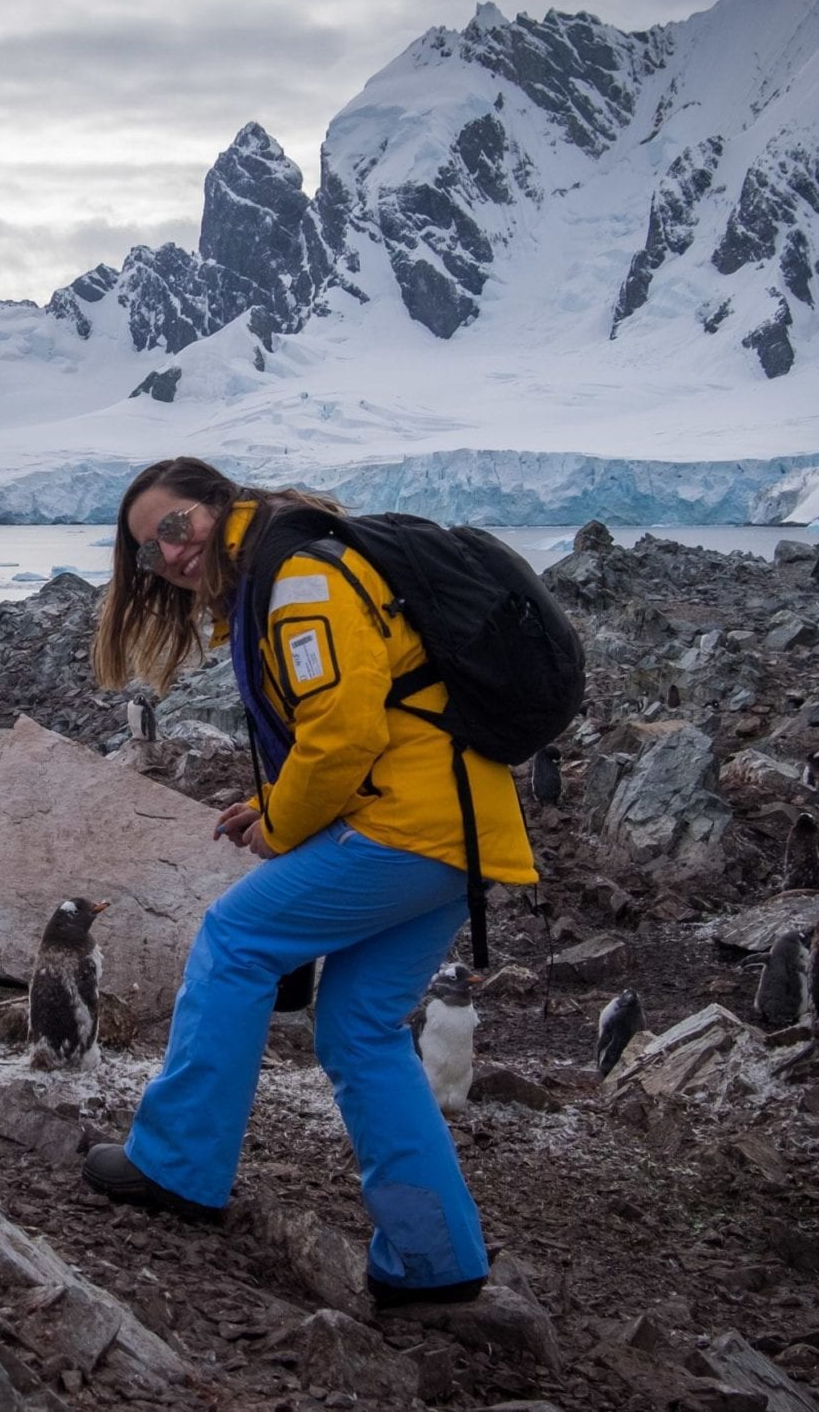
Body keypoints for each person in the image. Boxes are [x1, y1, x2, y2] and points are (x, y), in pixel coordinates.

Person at [82, 456, 538, 1307]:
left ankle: (177, 1164)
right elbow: (369, 723)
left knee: (236, 936)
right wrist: (271, 802)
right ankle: (434, 1258)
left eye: (175, 526)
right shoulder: (284, 570)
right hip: (454, 830)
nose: (171, 555)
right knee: (360, 1027)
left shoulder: (296, 581)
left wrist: (284, 825)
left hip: (409, 826)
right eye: (150, 551)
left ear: (217, 504)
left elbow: (341, 735)